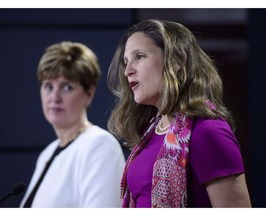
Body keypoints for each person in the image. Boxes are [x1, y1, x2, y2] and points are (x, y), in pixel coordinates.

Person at [107, 19, 251, 208]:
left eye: (140, 56)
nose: (127, 71)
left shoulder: (208, 131)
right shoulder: (150, 132)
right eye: (126, 62)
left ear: (176, 60)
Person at [20, 41, 125, 207]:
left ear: (89, 93)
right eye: (48, 86)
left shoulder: (100, 146)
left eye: (67, 87)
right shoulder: (47, 154)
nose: (54, 97)